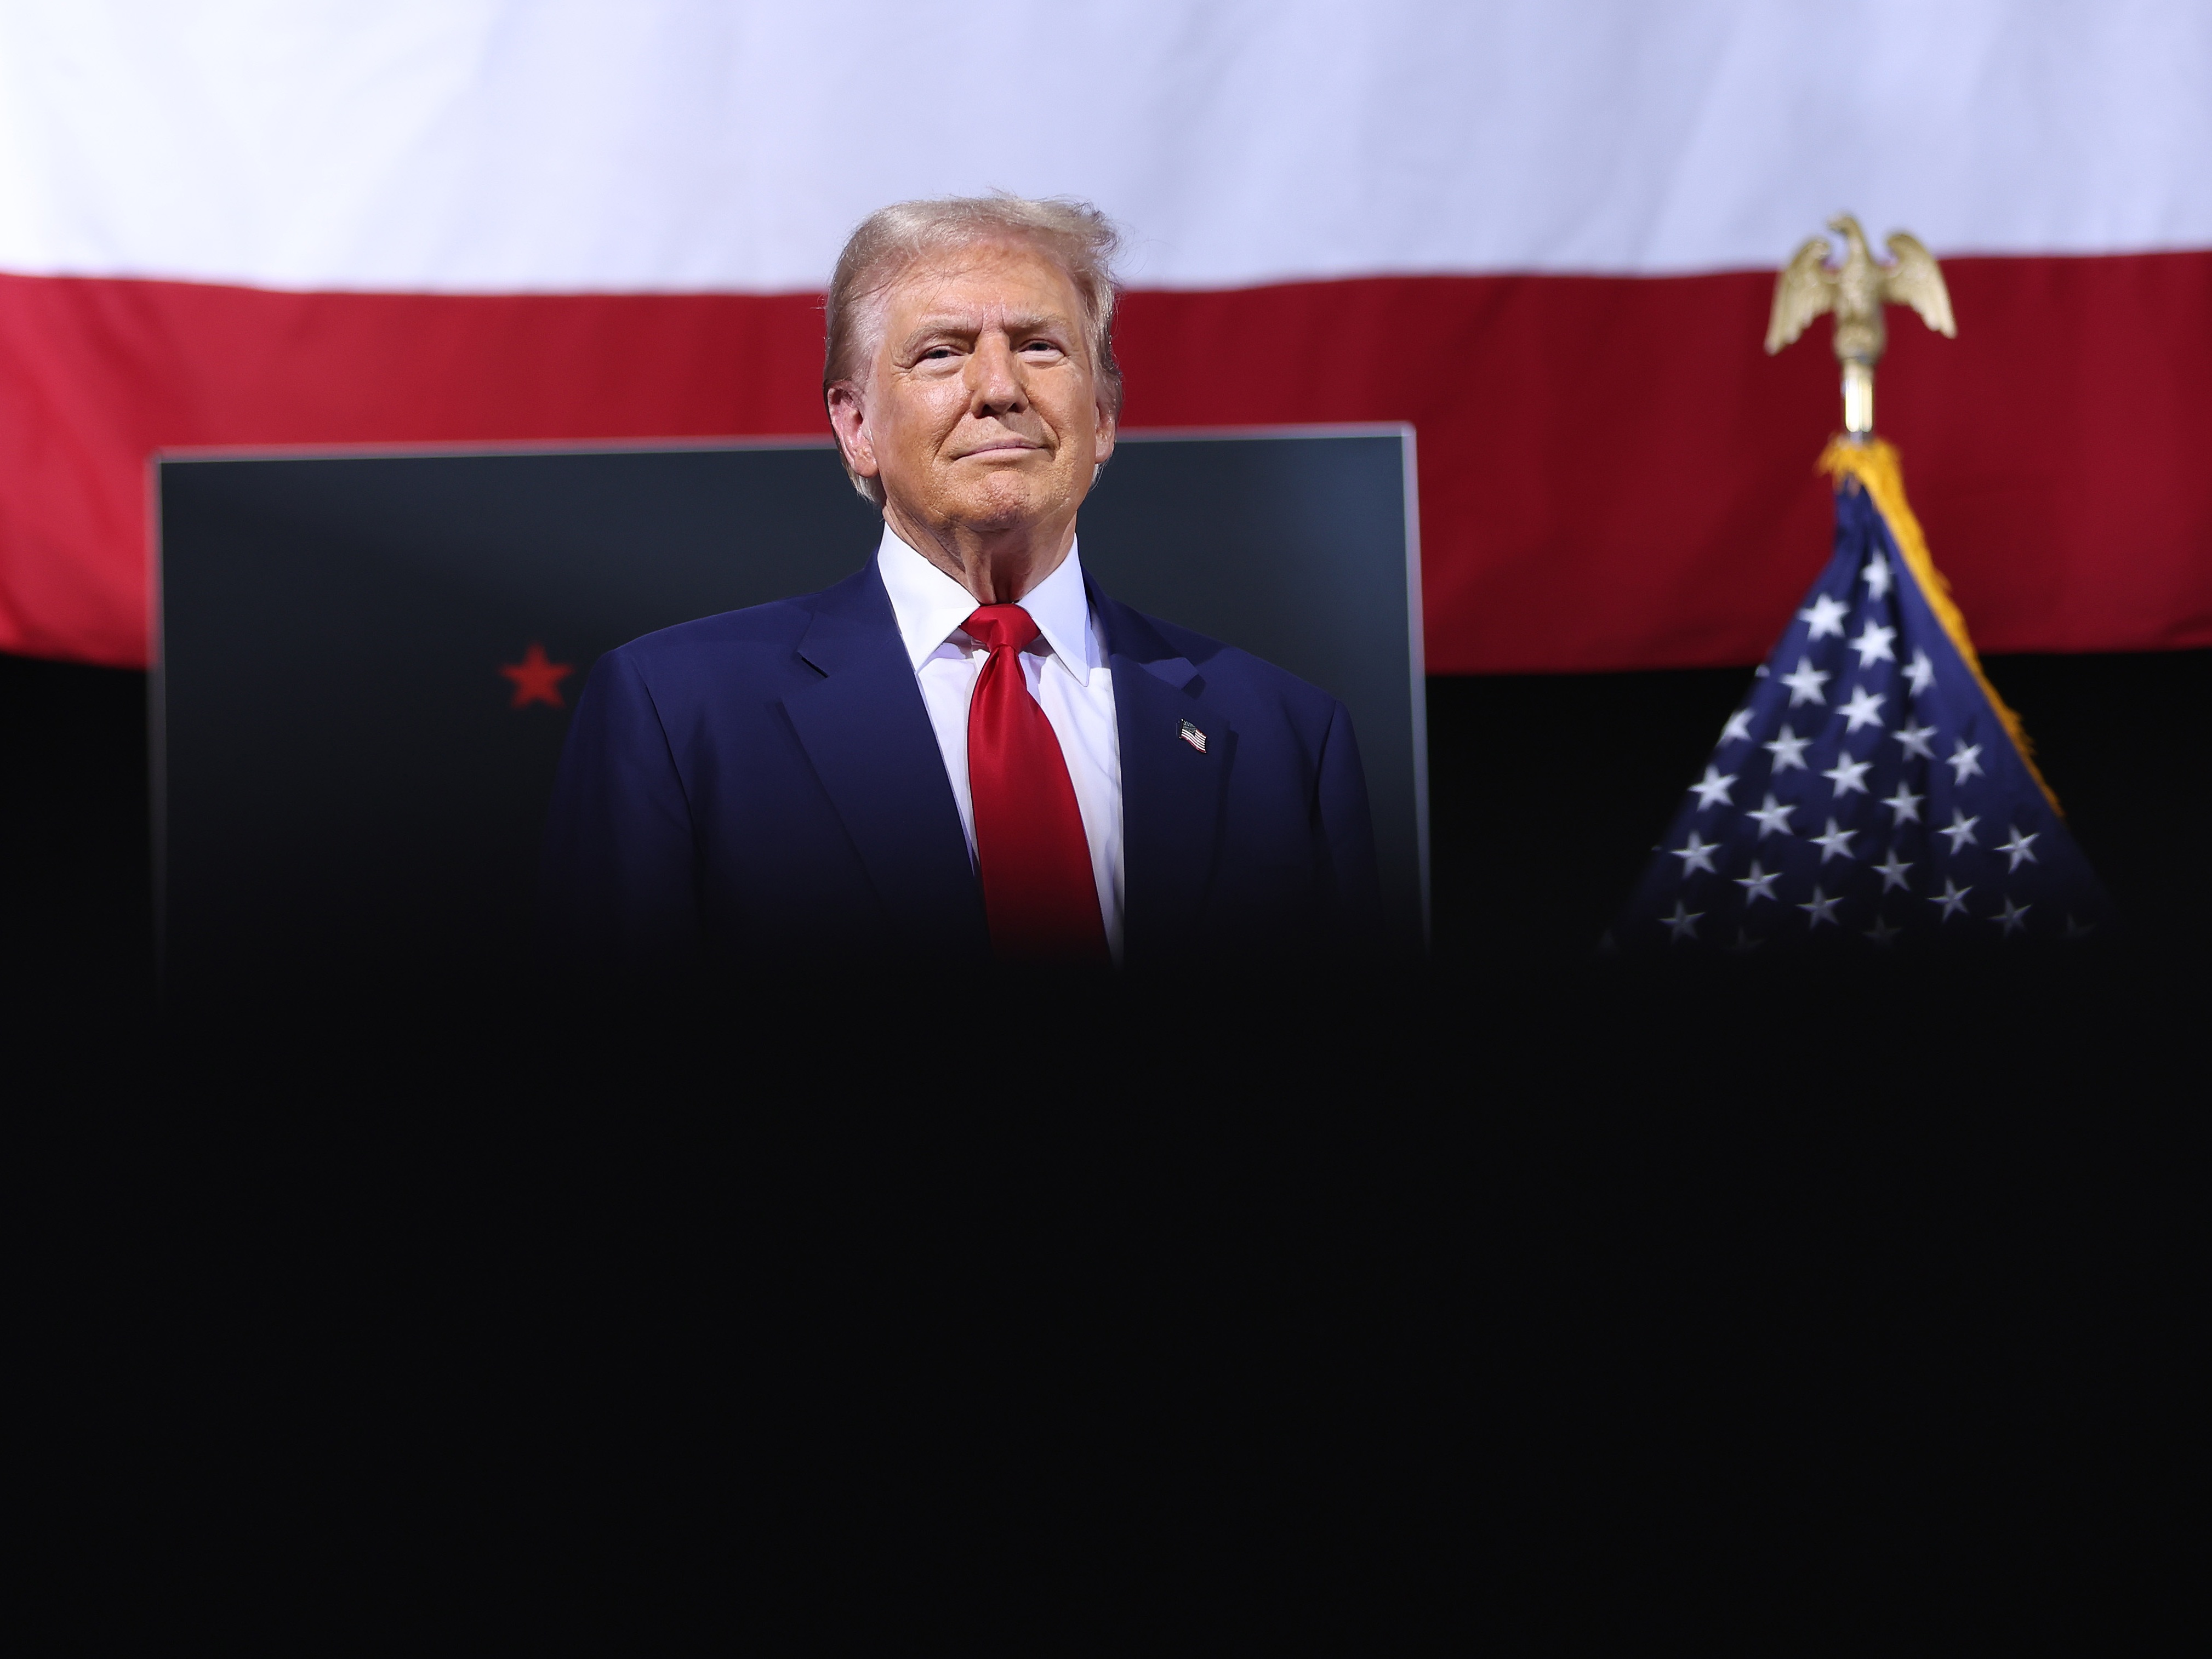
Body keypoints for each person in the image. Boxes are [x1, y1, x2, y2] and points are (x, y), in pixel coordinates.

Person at [541, 195, 1379, 970]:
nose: (1000, 389)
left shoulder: (1284, 737)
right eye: (942, 354)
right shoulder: (678, 715)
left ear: (1102, 419)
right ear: (857, 426)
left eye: (1039, 347)